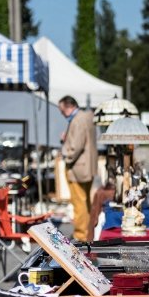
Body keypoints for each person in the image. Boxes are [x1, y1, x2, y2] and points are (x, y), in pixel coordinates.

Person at [58, 95, 98, 242]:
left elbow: (76, 146)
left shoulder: (78, 119)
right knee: (85, 201)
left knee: (79, 202)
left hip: (78, 167)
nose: (62, 114)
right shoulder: (86, 116)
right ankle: (86, 232)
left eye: (62, 110)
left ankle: (81, 235)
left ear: (68, 107)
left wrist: (65, 154)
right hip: (86, 166)